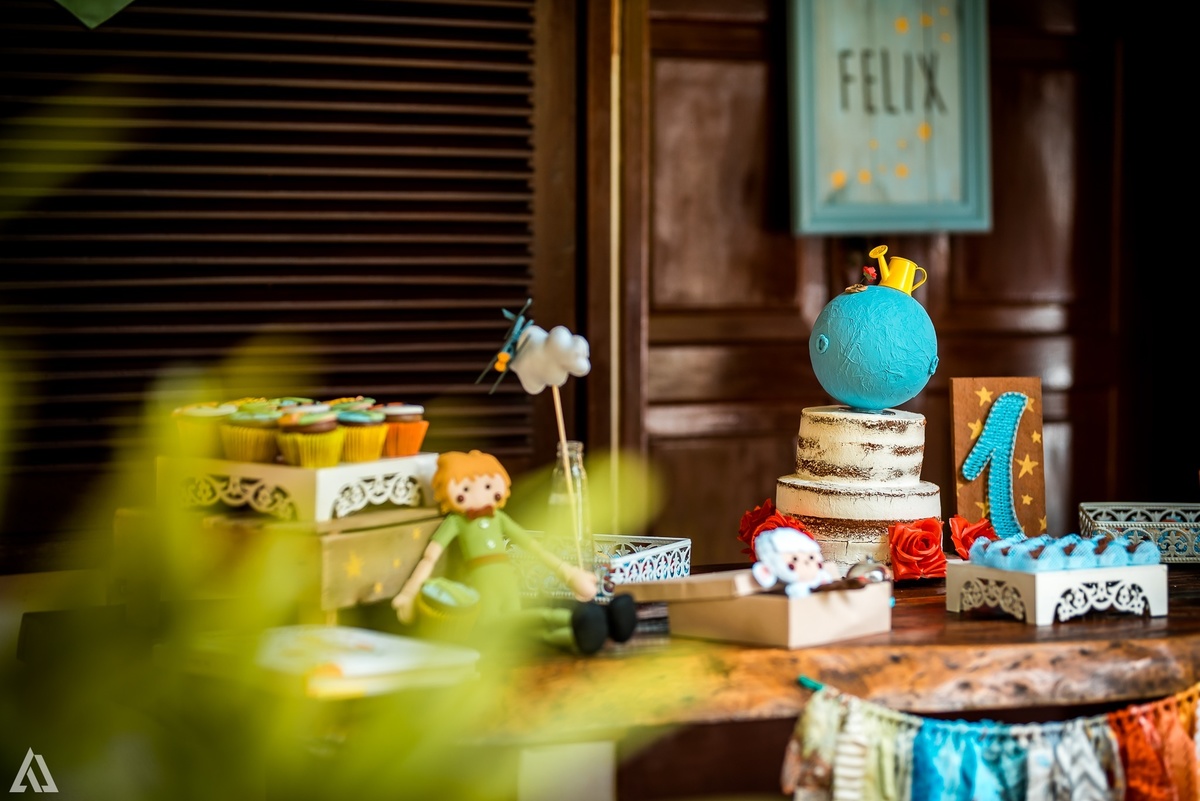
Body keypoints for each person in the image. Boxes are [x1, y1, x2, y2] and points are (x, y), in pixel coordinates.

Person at [392, 450, 636, 654]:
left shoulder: (499, 518)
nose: (479, 493)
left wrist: (569, 573)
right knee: (518, 624)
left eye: (487, 485)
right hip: (485, 598)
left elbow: (533, 547)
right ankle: (591, 622)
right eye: (467, 488)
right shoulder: (455, 522)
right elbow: (429, 557)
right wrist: (409, 592)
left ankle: (595, 629)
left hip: (508, 585)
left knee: (524, 630)